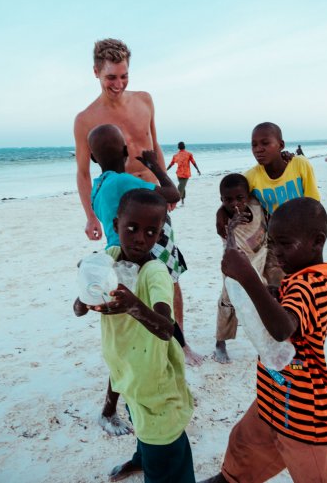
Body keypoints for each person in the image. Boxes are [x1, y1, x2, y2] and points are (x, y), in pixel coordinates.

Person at [74, 38, 202, 366]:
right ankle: (135, 348)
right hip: (122, 210)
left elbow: (155, 145)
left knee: (168, 274)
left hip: (154, 200)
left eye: (123, 76)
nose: (118, 84)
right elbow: (85, 173)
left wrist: (163, 184)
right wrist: (90, 216)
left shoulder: (145, 101)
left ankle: (180, 344)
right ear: (96, 73)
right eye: (110, 78)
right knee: (126, 276)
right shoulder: (86, 118)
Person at [201, 197, 327, 483]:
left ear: (317, 242)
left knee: (315, 475)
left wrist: (249, 276)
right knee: (243, 442)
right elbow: (281, 305)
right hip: (273, 396)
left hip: (304, 414)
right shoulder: (296, 278)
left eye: (286, 244)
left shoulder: (312, 283)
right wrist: (267, 289)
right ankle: (232, 478)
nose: (277, 253)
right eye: (273, 243)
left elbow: (282, 329)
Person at [74, 189, 195, 483]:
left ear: (160, 234)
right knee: (141, 423)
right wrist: (84, 297)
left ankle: (157, 466)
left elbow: (166, 328)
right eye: (132, 228)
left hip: (155, 383)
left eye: (151, 232)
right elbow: (80, 307)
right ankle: (141, 459)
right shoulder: (110, 258)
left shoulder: (154, 272)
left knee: (164, 445)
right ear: (115, 225)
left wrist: (133, 306)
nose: (141, 238)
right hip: (127, 371)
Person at [88, 123, 185, 436]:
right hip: (135, 264)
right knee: (140, 337)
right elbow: (171, 194)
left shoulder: (98, 185)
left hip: (115, 259)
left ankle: (113, 407)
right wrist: (154, 165)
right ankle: (117, 407)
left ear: (91, 157)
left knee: (123, 342)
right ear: (126, 152)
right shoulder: (121, 181)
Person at [214, 174, 269, 364]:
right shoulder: (224, 223)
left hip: (261, 259)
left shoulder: (255, 203)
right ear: (221, 200)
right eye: (228, 200)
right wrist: (230, 228)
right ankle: (220, 342)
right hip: (234, 265)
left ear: (248, 196)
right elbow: (229, 251)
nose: (234, 203)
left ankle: (268, 338)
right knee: (228, 301)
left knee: (265, 298)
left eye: (239, 198)